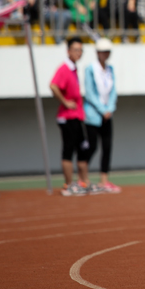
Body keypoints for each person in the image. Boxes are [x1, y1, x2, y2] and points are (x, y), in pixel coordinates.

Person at [50, 38, 91, 196]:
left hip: (77, 116)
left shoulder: (74, 68)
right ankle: (68, 184)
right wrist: (65, 102)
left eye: (80, 50)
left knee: (82, 148)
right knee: (68, 149)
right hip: (67, 117)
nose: (78, 53)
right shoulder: (64, 68)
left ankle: (84, 182)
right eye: (75, 50)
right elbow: (53, 85)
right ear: (68, 51)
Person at [83, 39, 120, 194]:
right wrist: (102, 109)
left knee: (107, 147)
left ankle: (104, 180)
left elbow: (113, 91)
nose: (106, 54)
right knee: (91, 146)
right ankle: (83, 179)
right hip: (93, 115)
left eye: (108, 51)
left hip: (107, 115)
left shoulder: (110, 68)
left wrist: (109, 109)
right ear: (97, 53)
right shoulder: (90, 69)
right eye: (103, 51)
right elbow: (90, 93)